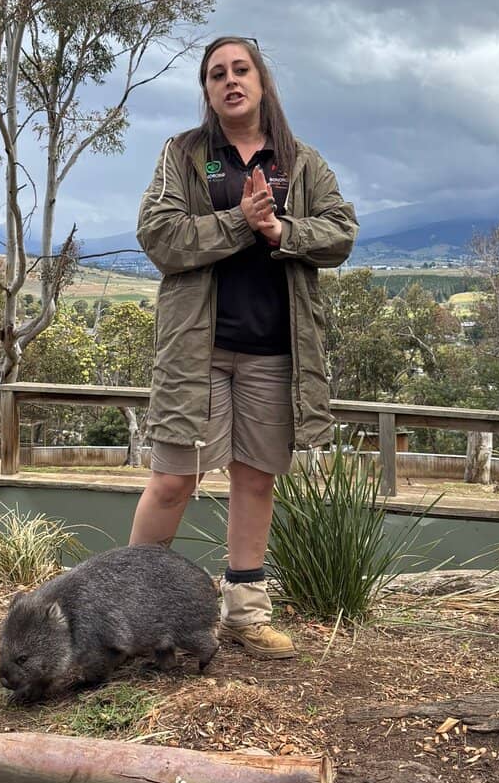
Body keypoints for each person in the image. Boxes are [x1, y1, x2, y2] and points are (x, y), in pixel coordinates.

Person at [129, 36, 358, 657]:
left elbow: (341, 234)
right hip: (195, 351)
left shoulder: (301, 161)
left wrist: (281, 229)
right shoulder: (186, 155)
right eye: (216, 74)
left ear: (261, 81)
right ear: (206, 91)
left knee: (255, 481)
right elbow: (161, 237)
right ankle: (126, 612)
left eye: (241, 70)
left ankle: (246, 614)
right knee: (173, 480)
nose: (230, 81)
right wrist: (241, 221)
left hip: (274, 351)